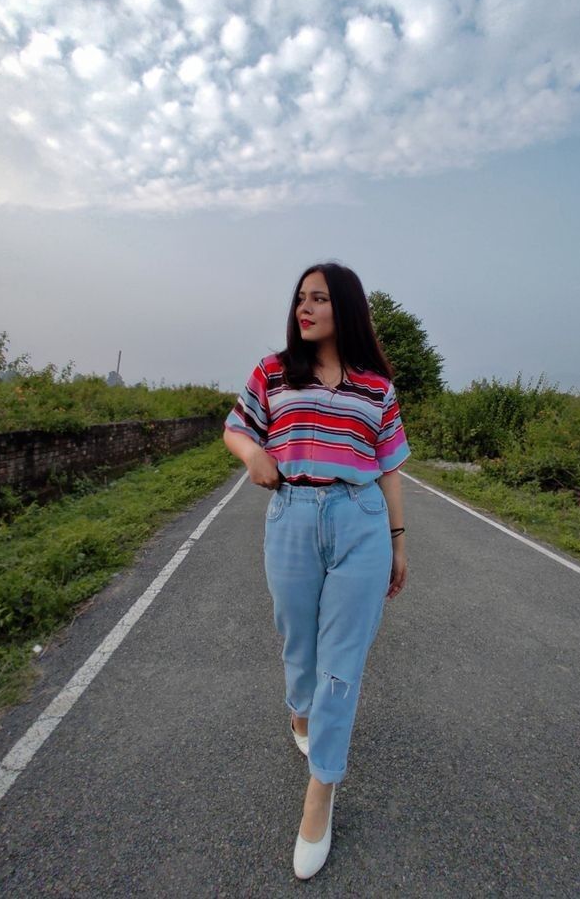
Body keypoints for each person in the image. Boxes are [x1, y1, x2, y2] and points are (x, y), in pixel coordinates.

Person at [222, 262, 410, 879]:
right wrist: (253, 454)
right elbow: (237, 428)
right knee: (297, 643)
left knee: (342, 663)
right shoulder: (274, 371)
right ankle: (298, 711)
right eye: (301, 298)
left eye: (320, 298)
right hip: (293, 516)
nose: (306, 308)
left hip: (360, 520)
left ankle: (320, 792)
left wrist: (398, 540)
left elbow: (388, 467)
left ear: (346, 308)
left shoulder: (376, 386)